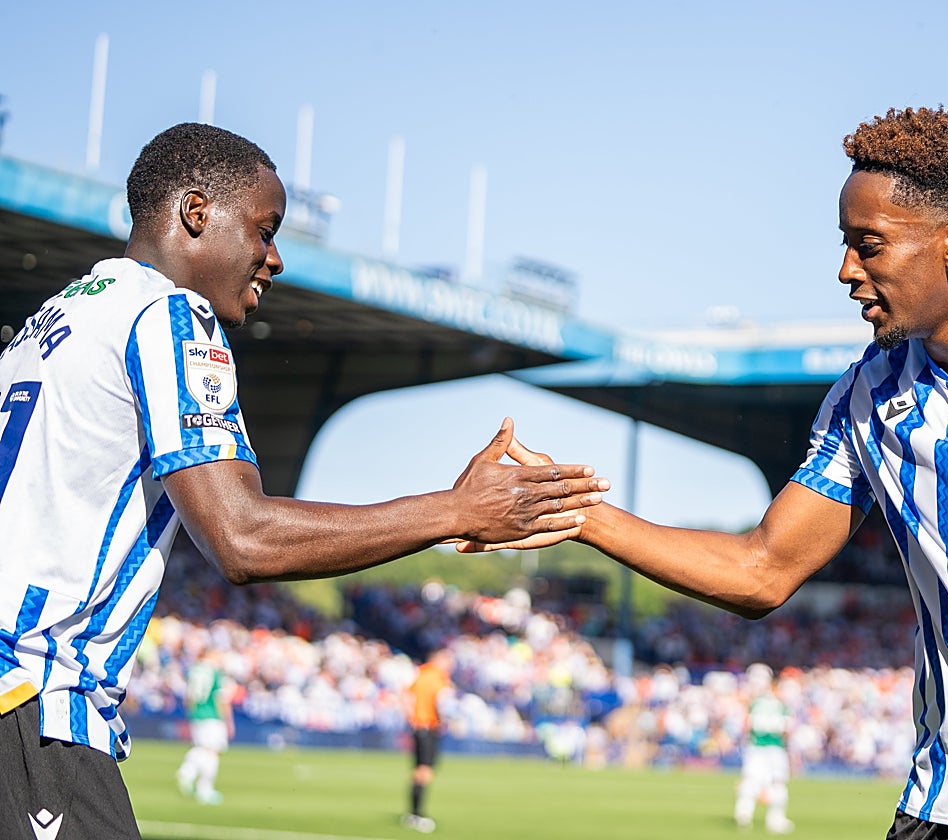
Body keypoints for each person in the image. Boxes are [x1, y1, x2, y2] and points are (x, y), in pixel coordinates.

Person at [472, 107, 948, 838]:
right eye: (846, 245)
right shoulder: (868, 394)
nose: (847, 270)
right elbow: (763, 569)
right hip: (942, 799)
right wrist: (583, 515)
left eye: (869, 246)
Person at [0, 122, 608, 838]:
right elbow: (243, 538)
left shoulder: (57, 316)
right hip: (35, 706)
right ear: (196, 214)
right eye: (264, 231)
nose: (275, 259)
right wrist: (455, 512)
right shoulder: (167, 314)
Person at [734, 663, 794, 835]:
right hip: (775, 747)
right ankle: (775, 820)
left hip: (756, 746)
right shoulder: (780, 703)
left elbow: (746, 726)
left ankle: (743, 814)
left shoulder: (754, 703)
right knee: (778, 783)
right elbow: (786, 729)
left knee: (750, 780)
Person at [401, 648, 455, 833]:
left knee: (418, 770)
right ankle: (417, 814)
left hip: (418, 726)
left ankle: (413, 812)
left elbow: (407, 697)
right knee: (425, 770)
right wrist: (447, 720)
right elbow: (442, 701)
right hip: (429, 727)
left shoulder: (421, 674)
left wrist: (412, 718)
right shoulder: (438, 677)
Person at [175, 649, 234, 805]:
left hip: (197, 714)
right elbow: (220, 699)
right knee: (212, 751)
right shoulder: (215, 672)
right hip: (212, 715)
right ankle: (204, 789)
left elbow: (189, 697)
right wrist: (228, 720)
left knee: (203, 747)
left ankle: (188, 771)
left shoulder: (193, 670)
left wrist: (192, 714)